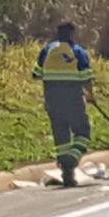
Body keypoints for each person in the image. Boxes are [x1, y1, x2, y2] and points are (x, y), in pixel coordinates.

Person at [32, 22, 96, 188]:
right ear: (72, 34)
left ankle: (67, 174)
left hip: (52, 101)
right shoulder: (78, 52)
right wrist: (90, 96)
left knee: (62, 139)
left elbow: (36, 74)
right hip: (73, 101)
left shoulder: (47, 51)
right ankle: (72, 160)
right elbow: (86, 77)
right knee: (83, 132)